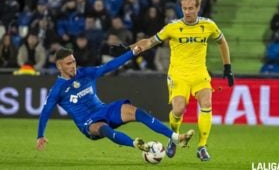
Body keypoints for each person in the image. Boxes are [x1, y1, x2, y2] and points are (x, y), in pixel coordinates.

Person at [133, 0, 234, 161]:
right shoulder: (173, 27)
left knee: (207, 103)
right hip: (178, 75)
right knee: (179, 109)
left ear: (198, 8)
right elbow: (151, 41)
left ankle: (202, 146)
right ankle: (174, 136)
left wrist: (227, 67)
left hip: (199, 74)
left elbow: (222, 42)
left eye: (191, 8)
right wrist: (133, 49)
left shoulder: (208, 25)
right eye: (184, 8)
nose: (187, 12)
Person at [36, 47, 194, 154]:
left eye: (74, 61)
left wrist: (132, 53)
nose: (73, 66)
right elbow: (45, 112)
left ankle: (176, 138)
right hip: (88, 123)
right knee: (103, 127)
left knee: (135, 111)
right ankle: (137, 144)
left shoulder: (85, 73)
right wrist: (40, 135)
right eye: (68, 63)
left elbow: (109, 66)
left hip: (104, 110)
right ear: (59, 66)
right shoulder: (57, 90)